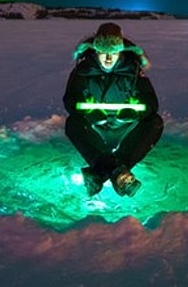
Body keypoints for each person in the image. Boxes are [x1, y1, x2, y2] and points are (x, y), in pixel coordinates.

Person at [63, 22, 164, 197]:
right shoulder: (82, 70)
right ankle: (118, 173)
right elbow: (71, 99)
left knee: (154, 122)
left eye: (113, 53)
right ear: (96, 51)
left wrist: (136, 112)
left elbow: (151, 102)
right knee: (73, 123)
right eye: (103, 53)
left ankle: (102, 173)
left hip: (124, 127)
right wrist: (88, 112)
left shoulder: (133, 70)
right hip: (95, 128)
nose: (108, 59)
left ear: (120, 51)